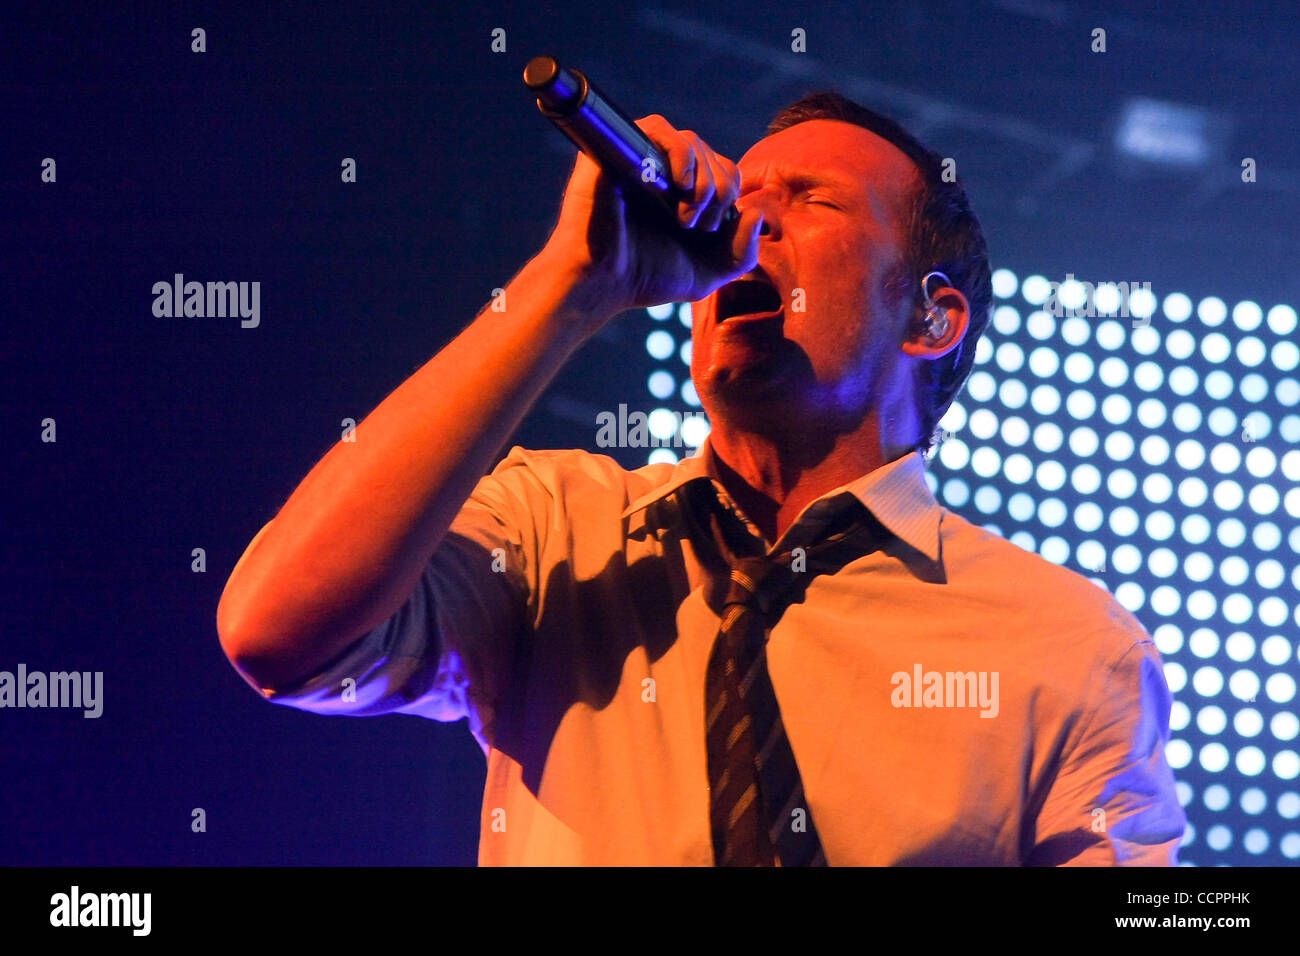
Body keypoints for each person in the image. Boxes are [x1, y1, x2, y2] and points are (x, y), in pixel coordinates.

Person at [216, 92, 1187, 866]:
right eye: (740, 197)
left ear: (930, 319)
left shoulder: (1062, 646)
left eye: (809, 199)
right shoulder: (558, 529)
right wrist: (570, 283)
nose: (743, 224)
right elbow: (277, 632)